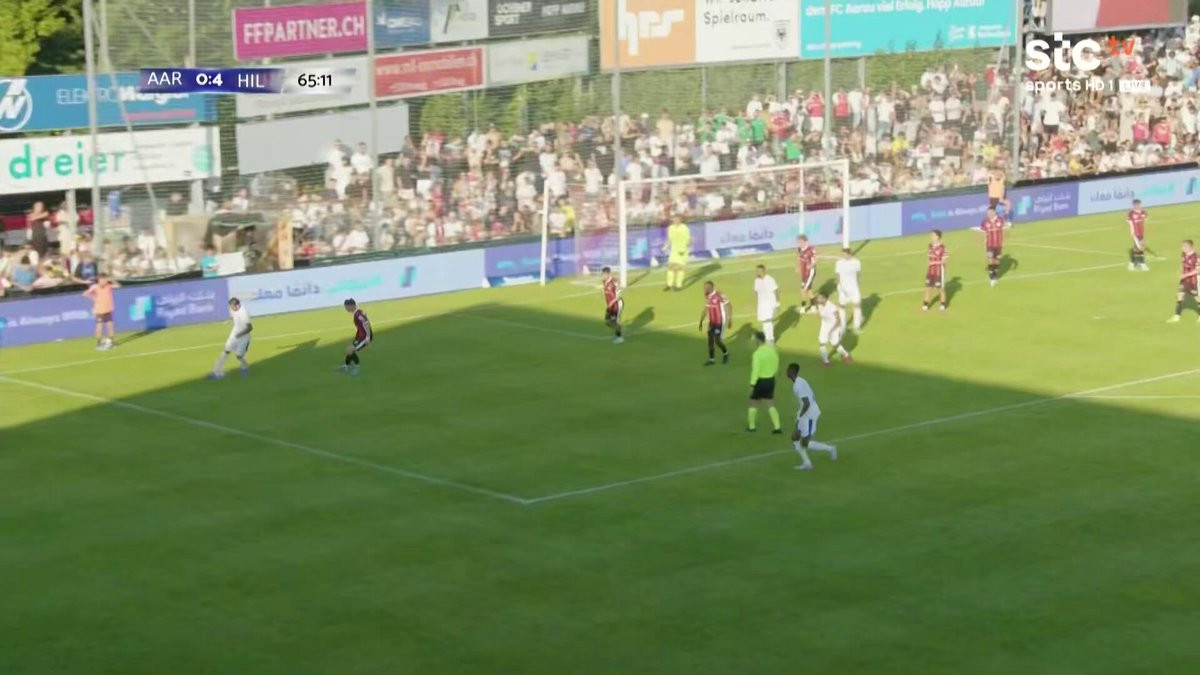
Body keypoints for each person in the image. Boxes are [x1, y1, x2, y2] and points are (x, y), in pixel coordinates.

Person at [785, 362, 838, 471]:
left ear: (792, 371)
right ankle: (807, 463)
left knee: (805, 442)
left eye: (788, 369)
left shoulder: (798, 384)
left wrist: (800, 416)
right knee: (795, 437)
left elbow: (807, 403)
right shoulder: (799, 382)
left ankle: (831, 449)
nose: (786, 371)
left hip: (809, 414)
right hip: (804, 412)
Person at [747, 331, 782, 433]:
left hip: (760, 381)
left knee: (753, 403)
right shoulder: (772, 350)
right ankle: (777, 427)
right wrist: (774, 373)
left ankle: (751, 427)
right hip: (771, 380)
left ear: (758, 340)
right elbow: (776, 363)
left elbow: (755, 371)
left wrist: (752, 385)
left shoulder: (757, 354)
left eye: (754, 340)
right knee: (770, 403)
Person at [211, 298, 252, 378]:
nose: (231, 308)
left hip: (243, 336)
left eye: (232, 306)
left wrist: (239, 335)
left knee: (239, 356)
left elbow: (250, 328)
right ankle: (216, 371)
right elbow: (234, 316)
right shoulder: (233, 309)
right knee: (226, 351)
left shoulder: (243, 313)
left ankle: (245, 367)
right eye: (230, 306)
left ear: (237, 305)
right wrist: (229, 321)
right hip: (234, 333)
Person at [698, 280, 732, 365]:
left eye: (706, 287)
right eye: (704, 287)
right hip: (712, 321)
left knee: (717, 340)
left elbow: (728, 304)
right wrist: (701, 321)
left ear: (711, 287)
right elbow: (706, 309)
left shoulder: (719, 295)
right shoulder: (708, 297)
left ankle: (726, 353)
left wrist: (729, 318)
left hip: (720, 321)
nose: (705, 289)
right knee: (710, 339)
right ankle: (711, 359)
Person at [82, 273, 119, 350]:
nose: (103, 281)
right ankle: (99, 343)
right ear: (99, 280)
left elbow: (118, 286)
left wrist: (112, 280)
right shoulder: (95, 287)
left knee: (110, 326)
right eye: (101, 280)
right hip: (99, 310)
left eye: (105, 280)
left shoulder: (108, 286)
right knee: (99, 326)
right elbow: (85, 294)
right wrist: (94, 298)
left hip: (108, 309)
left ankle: (110, 342)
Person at [815, 293, 852, 366]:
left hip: (834, 327)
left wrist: (833, 330)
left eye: (819, 298)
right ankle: (826, 362)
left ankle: (846, 355)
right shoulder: (819, 305)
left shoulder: (831, 307)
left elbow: (838, 319)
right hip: (824, 326)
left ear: (824, 299)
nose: (818, 299)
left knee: (835, 344)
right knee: (822, 343)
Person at [1167, 240, 1199, 323]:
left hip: (1193, 281)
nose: (1182, 248)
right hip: (1184, 281)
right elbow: (1182, 262)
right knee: (1180, 296)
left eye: (1184, 247)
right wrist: (1181, 271)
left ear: (1190, 247)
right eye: (1182, 246)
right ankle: (1177, 316)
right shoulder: (1184, 254)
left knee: (1197, 299)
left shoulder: (1196, 257)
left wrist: (1185, 275)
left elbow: (1197, 270)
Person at [978, 206, 1010, 287]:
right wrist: (982, 242)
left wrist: (1005, 240)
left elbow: (1004, 230)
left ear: (994, 212)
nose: (988, 214)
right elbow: (983, 233)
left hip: (998, 244)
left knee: (997, 261)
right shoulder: (985, 222)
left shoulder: (1000, 220)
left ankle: (994, 274)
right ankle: (992, 277)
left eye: (989, 213)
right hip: (989, 245)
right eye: (987, 213)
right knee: (990, 260)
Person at [834, 248, 863, 333]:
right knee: (842, 306)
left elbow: (858, 274)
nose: (844, 256)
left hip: (854, 288)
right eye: (843, 254)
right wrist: (838, 286)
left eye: (845, 254)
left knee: (857, 305)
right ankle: (843, 326)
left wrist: (857, 285)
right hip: (842, 288)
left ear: (850, 254)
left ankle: (856, 327)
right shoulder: (839, 263)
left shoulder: (856, 262)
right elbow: (837, 275)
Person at [342, 298, 372, 375]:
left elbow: (366, 324)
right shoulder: (358, 313)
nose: (346, 309)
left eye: (346, 307)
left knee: (351, 350)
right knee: (350, 350)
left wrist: (368, 337)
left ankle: (356, 367)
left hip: (364, 337)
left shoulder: (358, 314)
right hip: (360, 336)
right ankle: (346, 366)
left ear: (351, 306)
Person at [923, 229, 949, 312]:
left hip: (939, 271)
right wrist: (929, 262)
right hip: (930, 271)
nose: (931, 236)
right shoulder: (930, 246)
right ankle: (925, 304)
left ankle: (943, 304)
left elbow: (944, 261)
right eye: (931, 235)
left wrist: (934, 262)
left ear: (938, 236)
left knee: (939, 288)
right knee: (928, 287)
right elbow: (928, 257)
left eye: (933, 235)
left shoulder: (942, 247)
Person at [753, 264, 780, 343]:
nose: (757, 272)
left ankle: (770, 339)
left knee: (768, 321)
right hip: (761, 305)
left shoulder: (770, 279)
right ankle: (766, 337)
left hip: (770, 304)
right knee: (764, 321)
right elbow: (756, 291)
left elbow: (776, 290)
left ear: (763, 271)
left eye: (759, 271)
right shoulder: (757, 280)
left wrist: (777, 303)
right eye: (757, 271)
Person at [663, 215, 690, 291]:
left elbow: (688, 239)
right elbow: (670, 239)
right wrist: (665, 246)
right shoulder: (670, 228)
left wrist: (684, 249)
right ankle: (669, 284)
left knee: (680, 268)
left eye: (677, 219)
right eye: (674, 219)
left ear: (680, 220)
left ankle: (678, 285)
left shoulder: (685, 228)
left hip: (682, 250)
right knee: (670, 267)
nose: (675, 221)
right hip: (674, 250)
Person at [601, 266, 624, 344]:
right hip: (610, 305)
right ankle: (618, 329)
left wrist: (611, 303)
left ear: (608, 274)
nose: (603, 276)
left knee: (614, 321)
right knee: (608, 321)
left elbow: (618, 296)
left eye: (604, 274)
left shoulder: (613, 282)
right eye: (602, 274)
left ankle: (619, 337)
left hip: (617, 304)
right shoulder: (604, 282)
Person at [796, 235, 817, 313]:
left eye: (801, 241)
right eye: (799, 242)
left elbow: (815, 259)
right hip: (804, 272)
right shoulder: (799, 249)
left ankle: (803, 307)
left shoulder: (810, 249)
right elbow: (799, 259)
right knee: (809, 290)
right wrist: (798, 267)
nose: (800, 243)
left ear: (805, 241)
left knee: (803, 289)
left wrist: (811, 265)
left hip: (810, 272)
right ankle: (814, 306)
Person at [1127, 199, 1149, 271]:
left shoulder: (1143, 212)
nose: (1137, 206)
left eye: (1138, 204)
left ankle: (1132, 264)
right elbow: (1130, 223)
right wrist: (1132, 231)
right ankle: (1142, 264)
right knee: (1140, 247)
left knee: (1137, 248)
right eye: (1135, 205)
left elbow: (1144, 221)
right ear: (1133, 205)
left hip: (1141, 232)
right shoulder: (1131, 213)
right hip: (1135, 233)